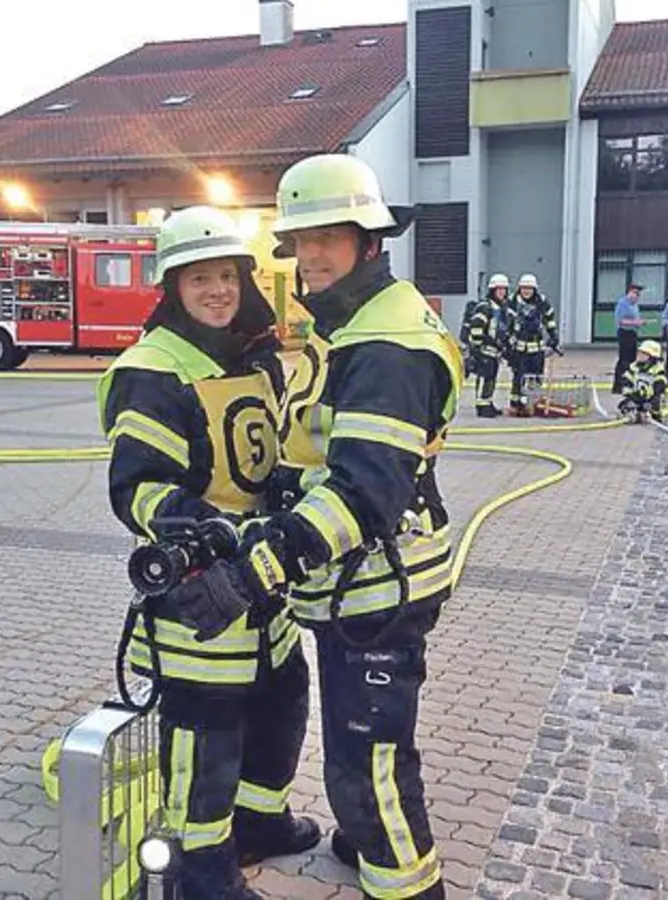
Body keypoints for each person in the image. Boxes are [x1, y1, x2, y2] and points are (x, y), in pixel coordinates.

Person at [213, 153, 461, 900]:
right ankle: (364, 843)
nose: (310, 255)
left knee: (366, 763)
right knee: (366, 744)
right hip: (355, 585)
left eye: (330, 236)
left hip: (378, 590)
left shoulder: (386, 344)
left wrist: (259, 565)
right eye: (300, 240)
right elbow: (321, 453)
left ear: (370, 241)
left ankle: (408, 887)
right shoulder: (351, 323)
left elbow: (363, 491)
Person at [95, 206, 319, 900]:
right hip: (202, 598)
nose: (217, 290)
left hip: (262, 583)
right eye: (199, 278)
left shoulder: (250, 357)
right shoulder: (155, 370)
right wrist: (205, 528)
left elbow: (256, 456)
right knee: (204, 744)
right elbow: (137, 489)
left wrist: (288, 489)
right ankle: (201, 878)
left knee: (283, 700)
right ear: (173, 286)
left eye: (227, 275)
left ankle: (259, 822)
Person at [505, 273, 560, 415]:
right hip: (519, 347)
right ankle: (515, 404)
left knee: (536, 376)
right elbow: (506, 323)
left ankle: (533, 403)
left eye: (529, 288)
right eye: (524, 288)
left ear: (534, 289)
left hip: (537, 346)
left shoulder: (541, 301)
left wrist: (553, 335)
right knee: (519, 377)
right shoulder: (512, 301)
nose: (526, 291)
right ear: (519, 289)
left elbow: (549, 318)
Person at [464, 273, 512, 418]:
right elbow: (477, 327)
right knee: (485, 377)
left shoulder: (502, 308)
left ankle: (488, 402)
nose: (502, 292)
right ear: (492, 290)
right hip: (484, 349)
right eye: (499, 289)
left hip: (495, 351)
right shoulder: (485, 307)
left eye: (504, 289)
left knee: (492, 378)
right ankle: (481, 405)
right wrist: (478, 347)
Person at [617, 339, 668, 421]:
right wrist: (630, 395)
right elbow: (626, 380)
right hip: (636, 396)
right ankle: (634, 413)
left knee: (656, 404)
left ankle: (655, 416)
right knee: (623, 405)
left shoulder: (658, 370)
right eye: (639, 352)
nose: (639, 355)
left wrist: (649, 401)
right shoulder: (634, 367)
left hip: (651, 398)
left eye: (643, 353)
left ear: (652, 357)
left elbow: (660, 386)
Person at [611, 283, 645, 392]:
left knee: (632, 361)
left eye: (638, 294)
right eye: (635, 293)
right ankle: (619, 385)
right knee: (624, 361)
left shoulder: (635, 305)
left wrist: (639, 323)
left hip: (633, 334)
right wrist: (636, 322)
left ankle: (628, 383)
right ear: (629, 292)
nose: (637, 296)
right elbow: (621, 320)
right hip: (625, 333)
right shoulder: (623, 303)